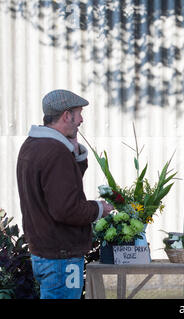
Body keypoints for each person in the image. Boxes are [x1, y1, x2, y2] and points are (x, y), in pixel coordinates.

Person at [16, 89, 114, 299]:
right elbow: (66, 209)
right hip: (62, 257)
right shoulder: (55, 151)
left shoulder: (32, 145)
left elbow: (59, 188)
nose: (81, 120)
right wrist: (100, 209)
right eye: (78, 113)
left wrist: (75, 154)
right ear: (66, 115)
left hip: (45, 252)